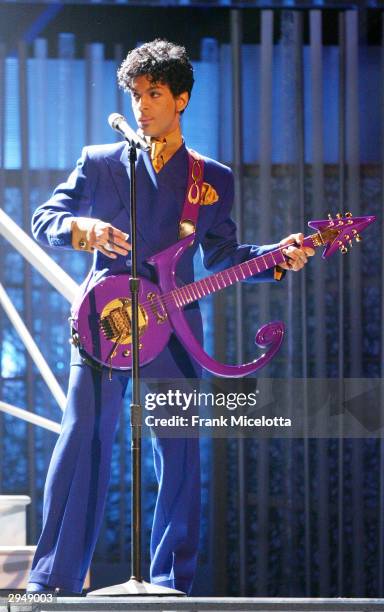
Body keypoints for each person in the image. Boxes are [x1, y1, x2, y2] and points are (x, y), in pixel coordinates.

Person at [26, 39, 314, 596]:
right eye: (135, 95)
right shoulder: (101, 161)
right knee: (83, 437)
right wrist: (82, 231)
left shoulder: (214, 178)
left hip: (176, 330)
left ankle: (170, 584)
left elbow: (224, 258)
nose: (142, 106)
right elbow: (46, 217)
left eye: (154, 94)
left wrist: (278, 257)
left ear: (181, 98)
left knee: (179, 457)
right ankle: (52, 584)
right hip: (103, 323)